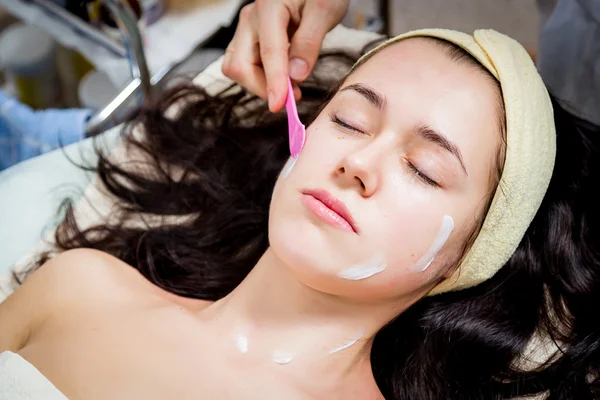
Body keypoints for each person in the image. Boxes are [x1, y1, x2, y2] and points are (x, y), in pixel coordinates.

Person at [1, 24, 599, 400]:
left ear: (468, 257)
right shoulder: (79, 286)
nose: (358, 161)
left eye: (424, 169)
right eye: (349, 120)